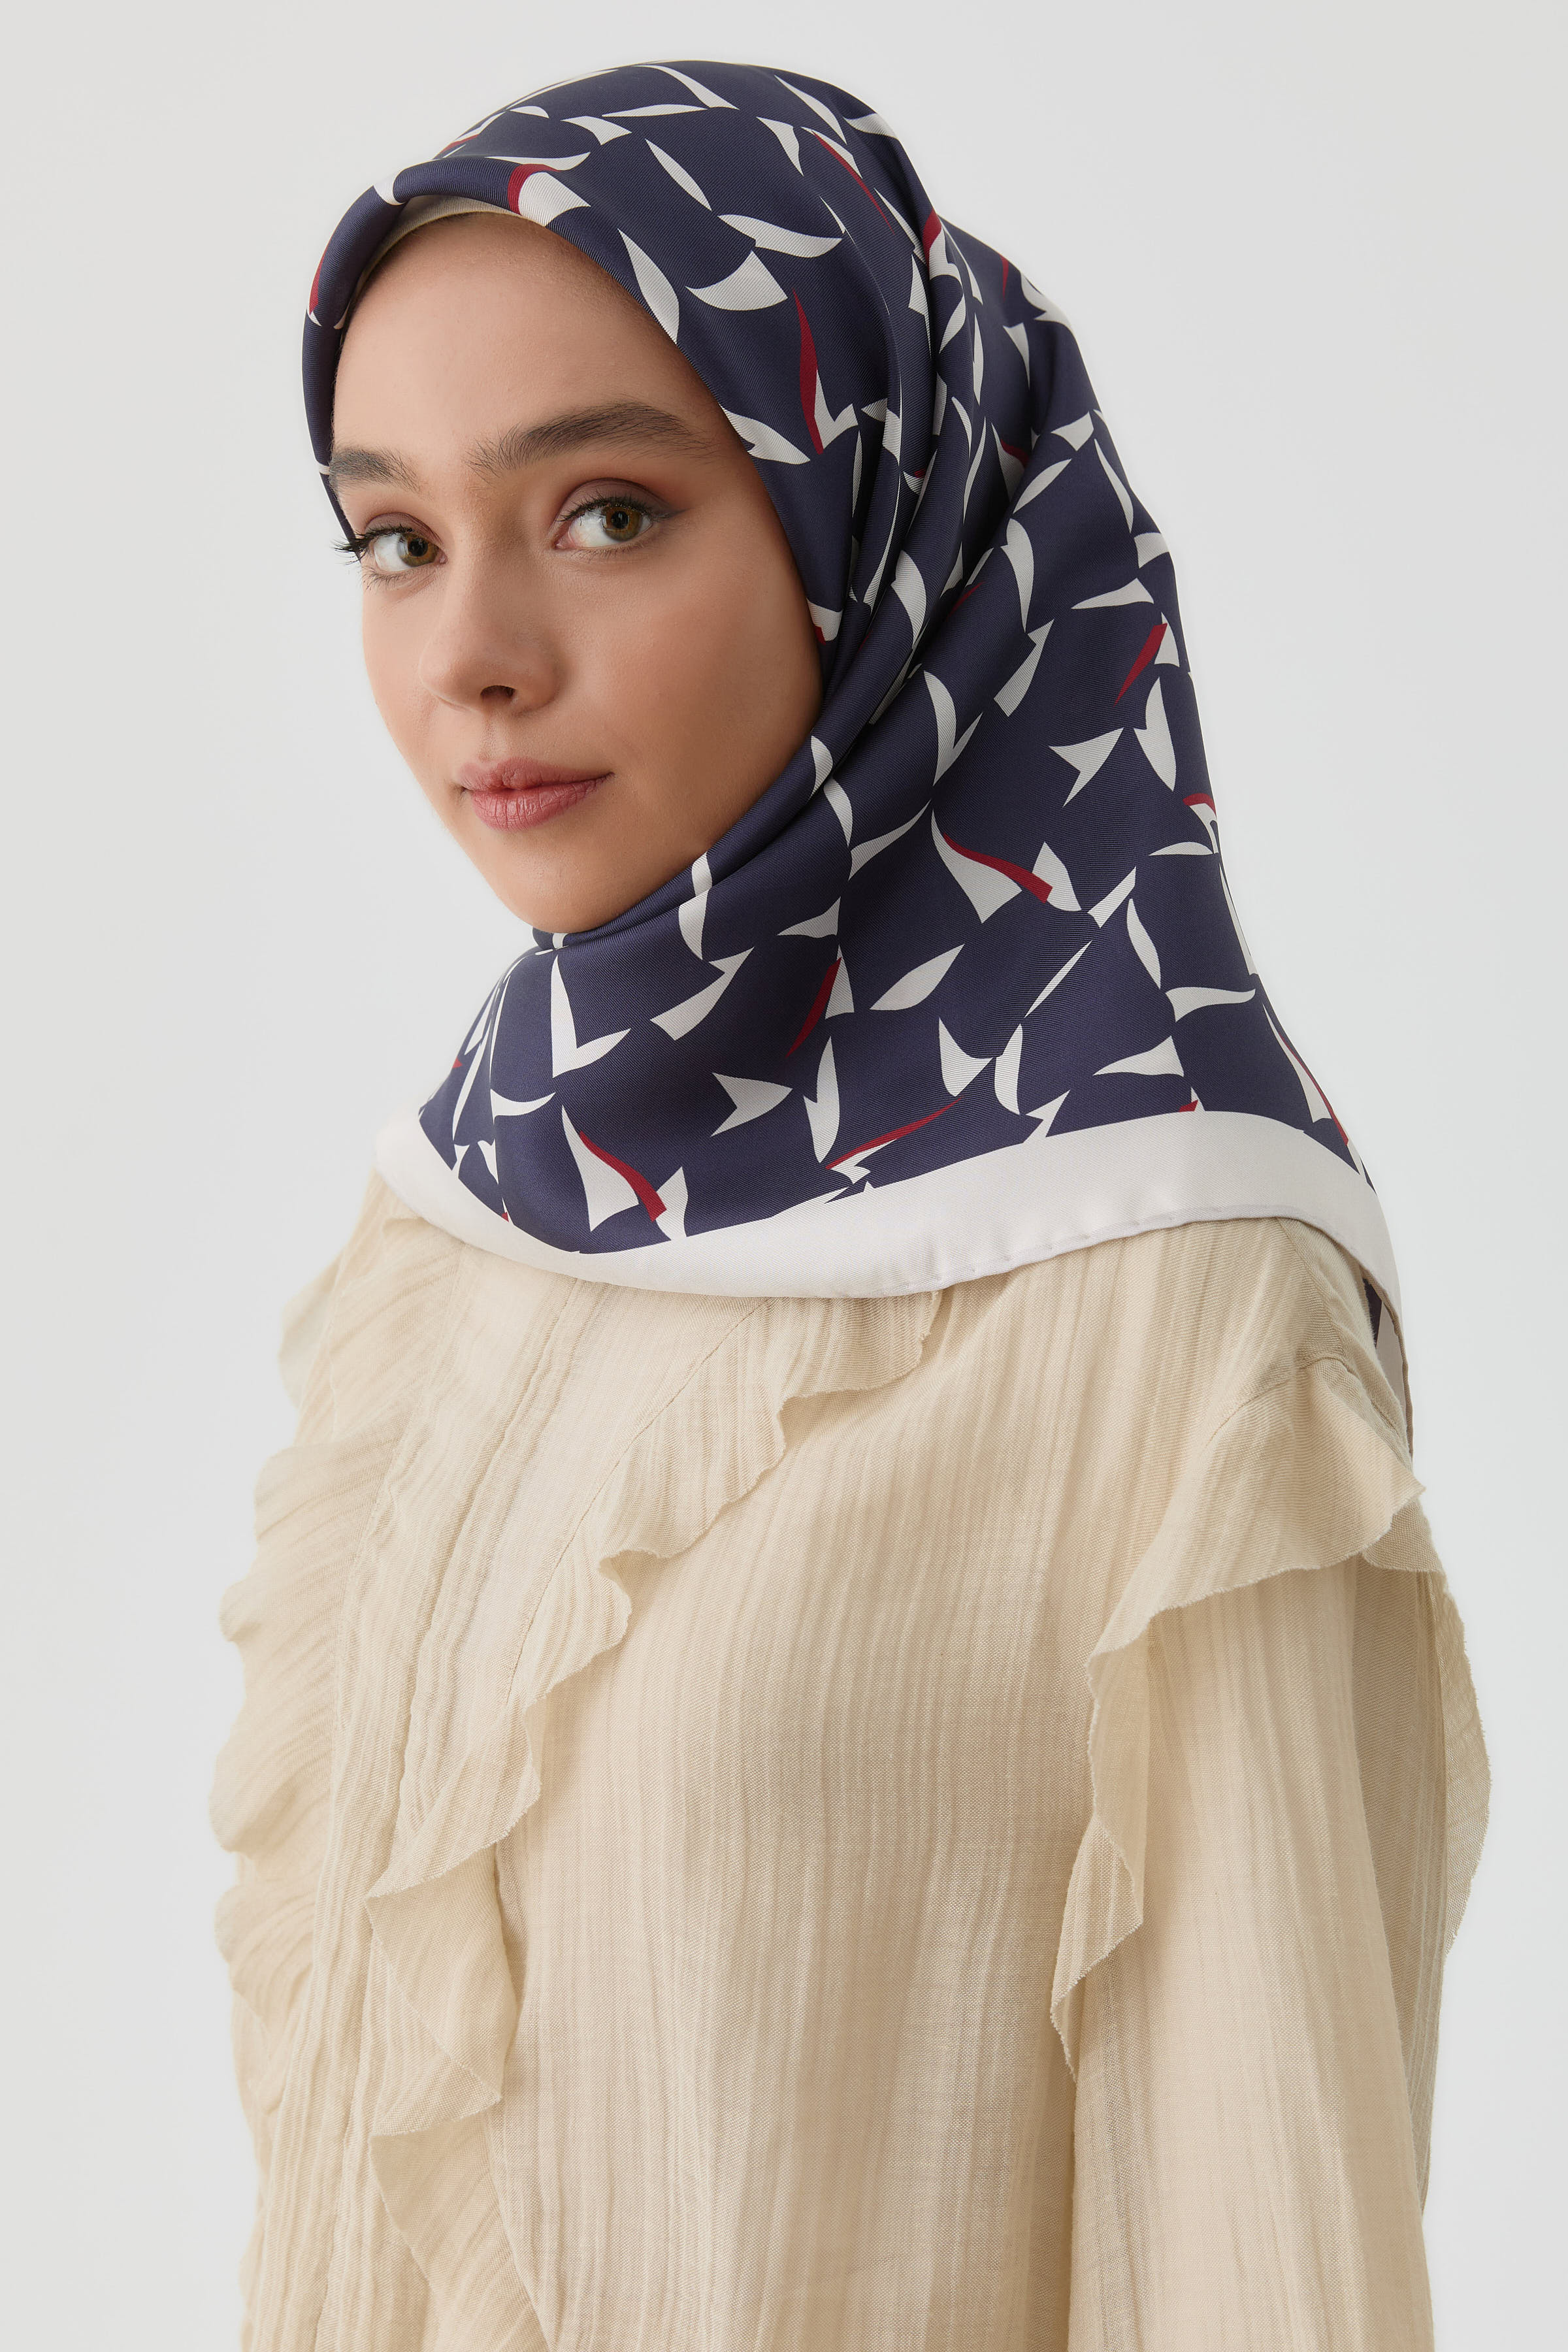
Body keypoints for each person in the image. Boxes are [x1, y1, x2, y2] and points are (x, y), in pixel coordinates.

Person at [210, 59, 1490, 2352]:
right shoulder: (474, 1214)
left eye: (607, 510)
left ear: (870, 512)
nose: (472, 652)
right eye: (393, 538)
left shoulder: (1177, 1298)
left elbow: (1264, 2261)